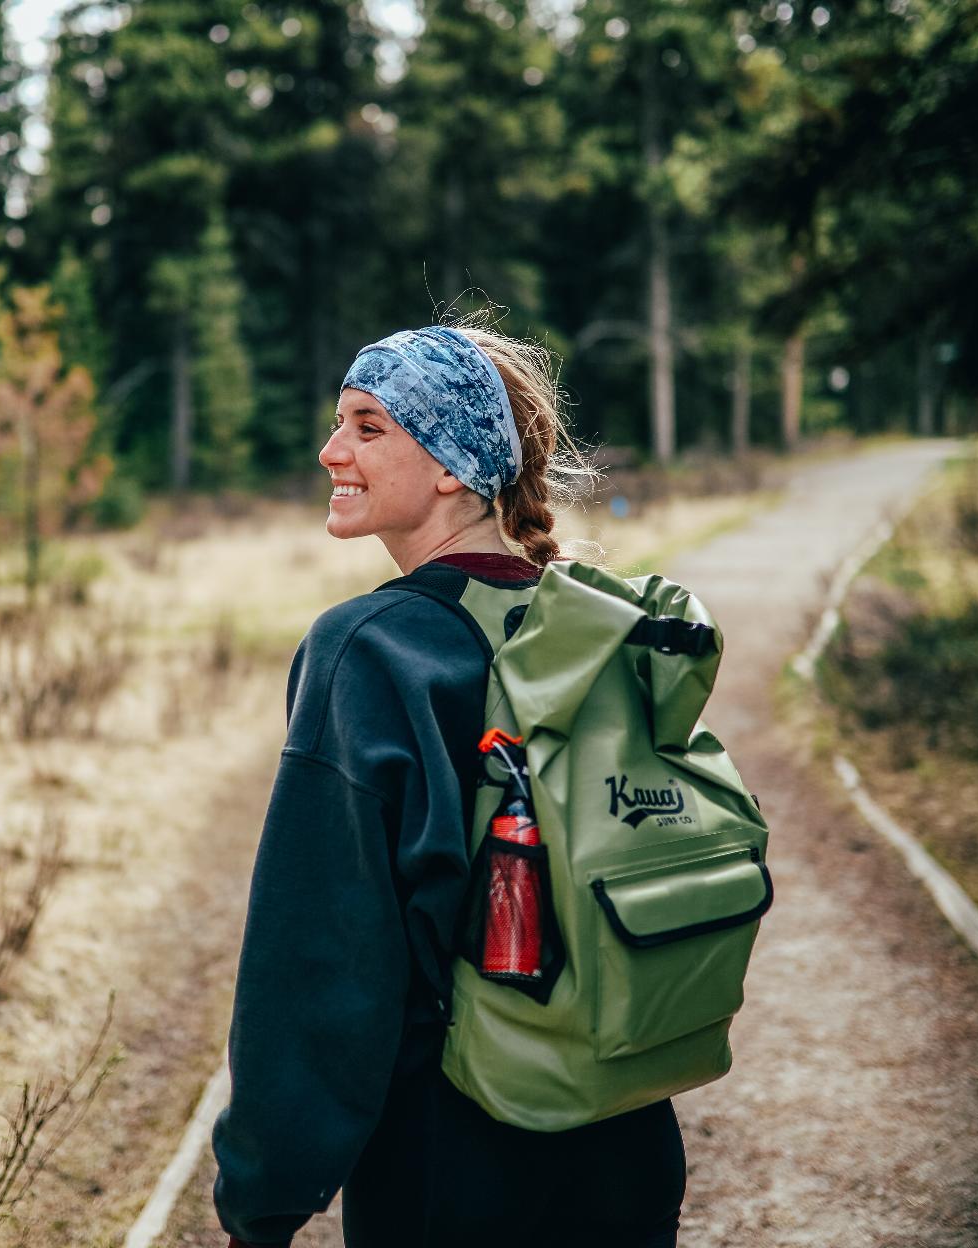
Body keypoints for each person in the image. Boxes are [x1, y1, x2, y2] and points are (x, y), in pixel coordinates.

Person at [211, 323, 687, 1248]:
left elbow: (319, 957)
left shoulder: (369, 650)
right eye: (338, 423)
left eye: (369, 426)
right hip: (628, 1139)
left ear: (449, 466)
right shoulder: (595, 626)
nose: (331, 451)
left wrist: (262, 1200)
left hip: (456, 1158)